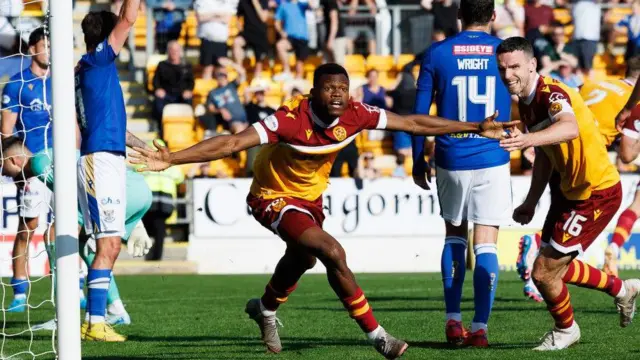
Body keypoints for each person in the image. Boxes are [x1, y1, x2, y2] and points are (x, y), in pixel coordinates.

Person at [129, 63, 518, 358]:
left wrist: (472, 126)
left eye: (343, 89)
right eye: (330, 88)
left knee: (302, 257)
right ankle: (378, 336)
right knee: (331, 252)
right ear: (313, 91)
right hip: (271, 195)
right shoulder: (289, 119)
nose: (337, 95)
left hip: (310, 200)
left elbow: (413, 123)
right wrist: (173, 158)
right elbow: (231, 144)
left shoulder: (356, 113)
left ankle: (264, 308)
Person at [496, 36, 640, 351]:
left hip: (597, 192)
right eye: (502, 69)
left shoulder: (552, 93)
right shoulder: (526, 101)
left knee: (543, 272)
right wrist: (531, 201)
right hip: (569, 191)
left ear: (533, 64)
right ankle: (621, 290)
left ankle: (566, 330)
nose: (508, 75)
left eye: (515, 67)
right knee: (552, 268)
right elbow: (547, 154)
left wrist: (526, 141)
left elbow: (569, 127)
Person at [411, 0, 513, 347]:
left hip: (450, 155)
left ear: (459, 15)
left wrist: (416, 159)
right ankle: (480, 328)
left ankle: (453, 322)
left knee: (454, 235)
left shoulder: (437, 53)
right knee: (486, 244)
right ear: (494, 16)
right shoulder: (506, 52)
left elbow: (419, 114)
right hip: (492, 156)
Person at [516, 57, 640, 298]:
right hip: (586, 165)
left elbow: (564, 101)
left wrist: (536, 142)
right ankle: (537, 249)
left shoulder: (596, 83)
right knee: (566, 244)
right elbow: (626, 154)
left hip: (555, 150)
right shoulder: (634, 101)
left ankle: (537, 274)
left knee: (561, 238)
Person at [0, 137, 153, 330]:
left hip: (121, 193)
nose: (3, 173)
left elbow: (70, 194)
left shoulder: (39, 162)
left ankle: (64, 318)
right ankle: (116, 310)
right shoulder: (49, 155)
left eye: (2, 164)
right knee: (83, 246)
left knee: (54, 235)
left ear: (14, 160)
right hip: (136, 190)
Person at [76, 0, 150, 342]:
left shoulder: (92, 69)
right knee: (105, 244)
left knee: (110, 245)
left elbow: (112, 126)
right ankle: (94, 322)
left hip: (108, 157)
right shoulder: (99, 60)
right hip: (98, 161)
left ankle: (95, 319)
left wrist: (143, 147)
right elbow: (128, 16)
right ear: (107, 37)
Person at [1, 27, 53, 313]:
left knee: (68, 227)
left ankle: (71, 286)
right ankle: (20, 290)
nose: (50, 50)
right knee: (28, 227)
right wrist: (18, 162)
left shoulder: (62, 83)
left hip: (63, 164)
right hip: (32, 167)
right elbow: (6, 132)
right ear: (32, 48)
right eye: (46, 44)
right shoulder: (16, 84)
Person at [151, 40, 195, 134]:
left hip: (181, 95)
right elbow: (155, 81)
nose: (174, 52)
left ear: (180, 51)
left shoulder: (187, 65)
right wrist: (158, 89)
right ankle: (160, 128)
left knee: (189, 100)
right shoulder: (162, 65)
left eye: (176, 50)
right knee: (158, 103)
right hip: (166, 95)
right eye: (171, 50)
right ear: (168, 51)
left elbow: (191, 82)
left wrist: (188, 90)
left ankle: (188, 129)